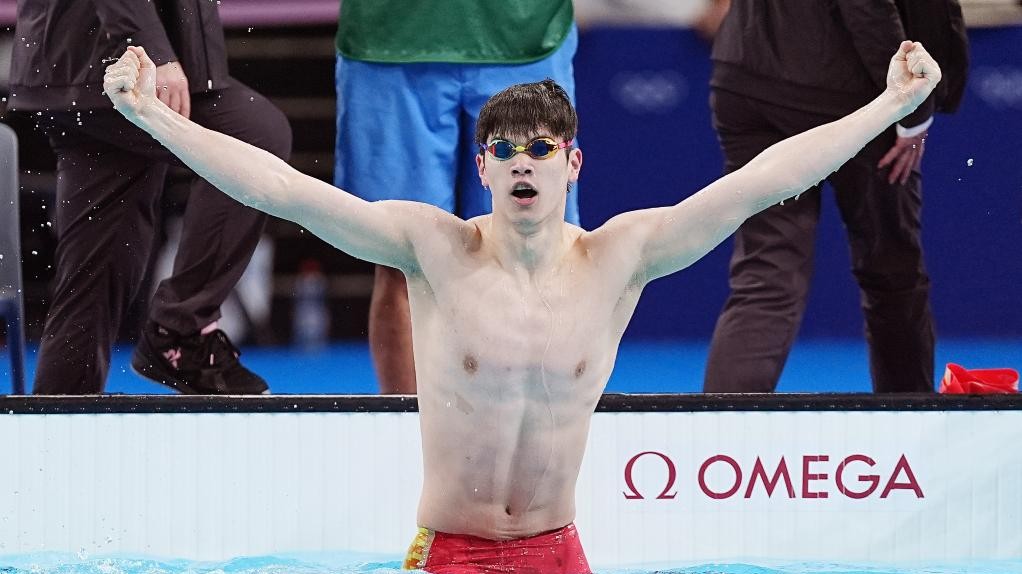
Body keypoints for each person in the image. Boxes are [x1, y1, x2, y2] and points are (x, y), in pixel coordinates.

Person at [103, 40, 942, 573]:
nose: (522, 163)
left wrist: (889, 107)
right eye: (503, 151)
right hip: (452, 553)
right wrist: (149, 117)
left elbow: (764, 180)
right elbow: (283, 189)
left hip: (559, 549)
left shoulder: (621, 258)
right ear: (484, 168)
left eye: (540, 148)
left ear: (572, 162)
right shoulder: (434, 250)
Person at [8, 0, 292, 395]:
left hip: (78, 67)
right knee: (255, 136)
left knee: (97, 265)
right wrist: (153, 50)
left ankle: (58, 417)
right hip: (111, 65)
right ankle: (178, 332)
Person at [703, 0, 968, 393]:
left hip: (746, 76)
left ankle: (718, 439)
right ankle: (906, 425)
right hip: (858, 93)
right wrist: (910, 106)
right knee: (892, 272)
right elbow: (867, 7)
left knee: (766, 278)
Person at [334, 0, 580, 394]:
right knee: (402, 255)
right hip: (391, 36)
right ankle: (408, 436)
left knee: (535, 247)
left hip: (525, 30)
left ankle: (536, 433)